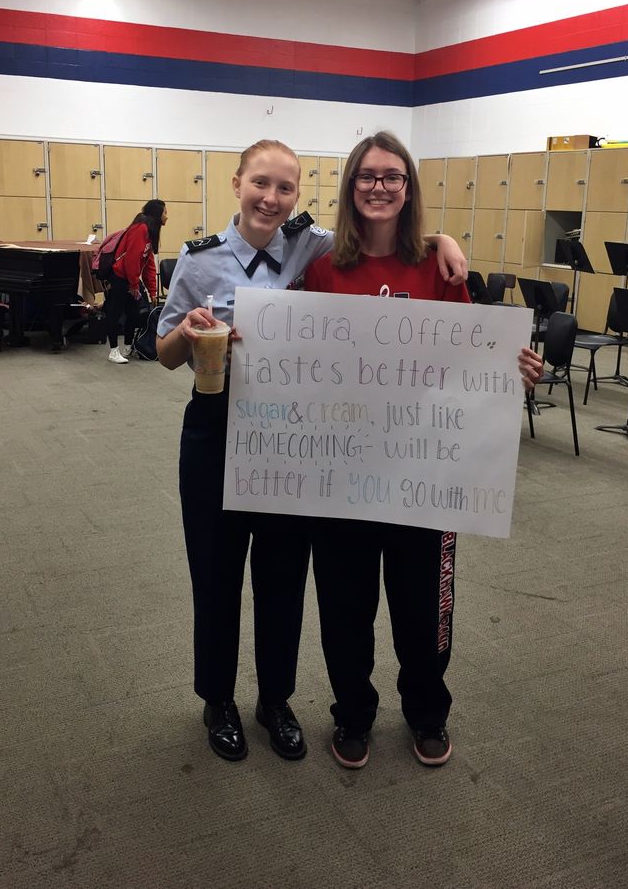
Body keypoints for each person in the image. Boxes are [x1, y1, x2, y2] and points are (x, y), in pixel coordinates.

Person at [155, 138, 469, 763]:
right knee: (216, 577)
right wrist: (188, 336)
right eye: (260, 184)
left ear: (300, 195)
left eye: (286, 188)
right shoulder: (198, 260)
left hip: (289, 436)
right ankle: (217, 700)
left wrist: (442, 242)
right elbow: (161, 351)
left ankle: (276, 699)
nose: (271, 198)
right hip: (217, 430)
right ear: (237, 182)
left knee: (282, 578)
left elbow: (386, 233)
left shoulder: (312, 247)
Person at [303, 131, 543, 770]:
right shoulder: (325, 270)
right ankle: (351, 711)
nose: (379, 187)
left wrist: (509, 366)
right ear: (351, 186)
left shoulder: (438, 267)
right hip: (346, 475)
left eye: (393, 176)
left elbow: (470, 354)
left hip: (425, 472)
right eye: (367, 176)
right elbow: (299, 358)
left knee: (423, 607)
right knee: (345, 604)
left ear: (408, 190)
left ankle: (426, 711)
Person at [105, 199, 166, 364]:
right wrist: (133, 286)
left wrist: (152, 291)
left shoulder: (150, 231)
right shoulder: (140, 229)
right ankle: (113, 351)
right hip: (119, 276)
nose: (167, 217)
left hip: (131, 278)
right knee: (115, 313)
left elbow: (149, 265)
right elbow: (131, 260)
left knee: (133, 313)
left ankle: (127, 347)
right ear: (157, 214)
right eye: (165, 213)